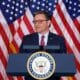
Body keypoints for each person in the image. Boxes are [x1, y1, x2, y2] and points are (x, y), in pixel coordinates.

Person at [19, 11, 67, 80]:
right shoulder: (27, 39)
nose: (36, 24)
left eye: (40, 21)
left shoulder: (59, 40)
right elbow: (21, 60)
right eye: (35, 22)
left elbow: (63, 62)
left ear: (48, 22)